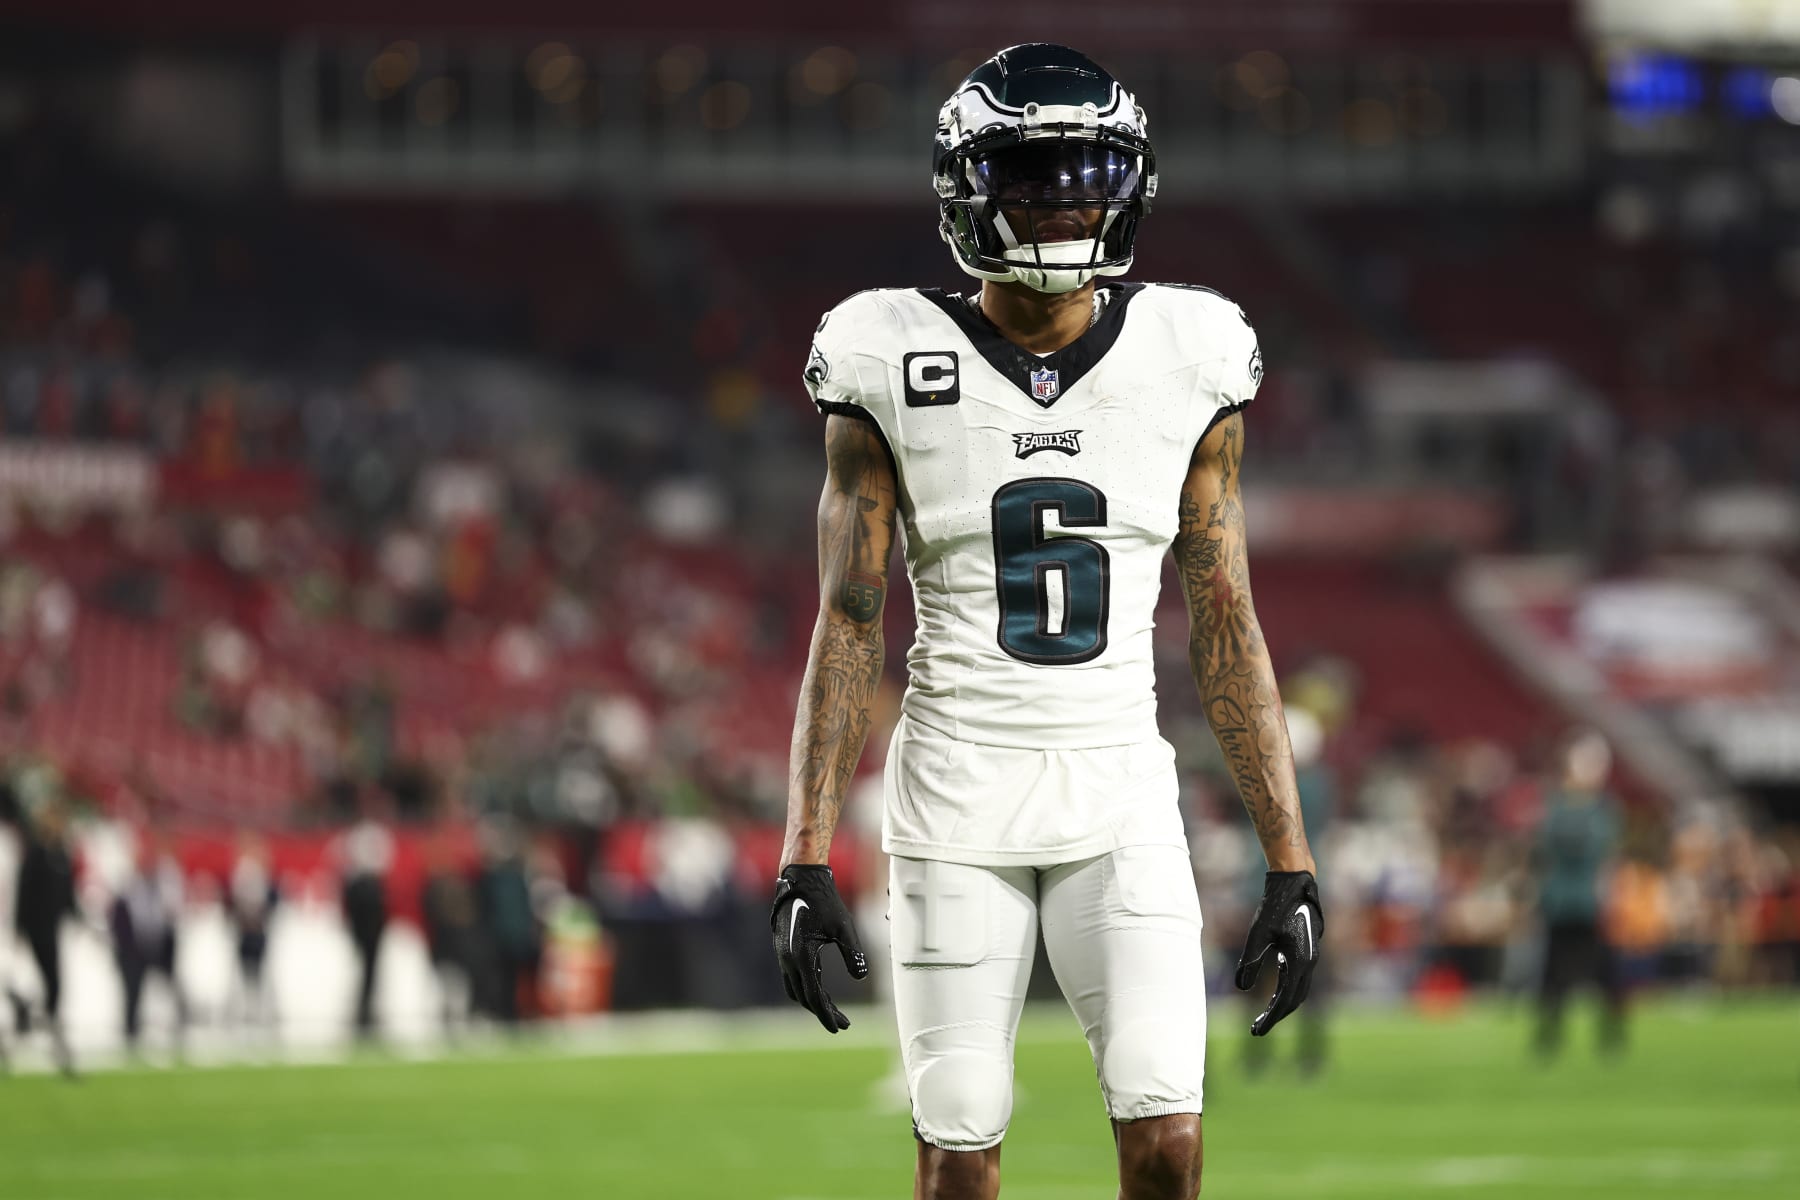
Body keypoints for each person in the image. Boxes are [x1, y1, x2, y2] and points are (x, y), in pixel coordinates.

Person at [769, 45, 1321, 1200]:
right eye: (1035, 177)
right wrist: (804, 852)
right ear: (969, 187)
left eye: (1088, 176)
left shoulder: (1191, 354)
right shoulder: (884, 354)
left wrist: (1291, 858)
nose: (1066, 204)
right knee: (960, 1147)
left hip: (1117, 785)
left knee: (1168, 1131)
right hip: (954, 795)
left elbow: (1228, 621)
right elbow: (849, 619)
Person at [1532, 728, 1626, 1058]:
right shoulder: (1563, 807)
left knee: (1604, 971)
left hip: (1588, 901)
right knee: (1553, 973)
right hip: (1564, 900)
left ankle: (1611, 1036)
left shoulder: (1598, 809)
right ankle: (1549, 1036)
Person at [109, 835, 190, 1054]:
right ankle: (131, 1033)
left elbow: (170, 911)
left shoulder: (162, 882)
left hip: (158, 943)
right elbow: (120, 918)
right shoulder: (127, 885)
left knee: (171, 985)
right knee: (133, 990)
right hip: (134, 946)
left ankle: (179, 1026)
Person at [14, 800, 79, 1075]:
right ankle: (38, 1021)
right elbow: (24, 890)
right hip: (36, 927)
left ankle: (30, 1014)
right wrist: (19, 925)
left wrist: (79, 916)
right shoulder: (37, 853)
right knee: (50, 979)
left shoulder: (61, 854)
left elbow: (67, 893)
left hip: (53, 927)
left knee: (53, 982)